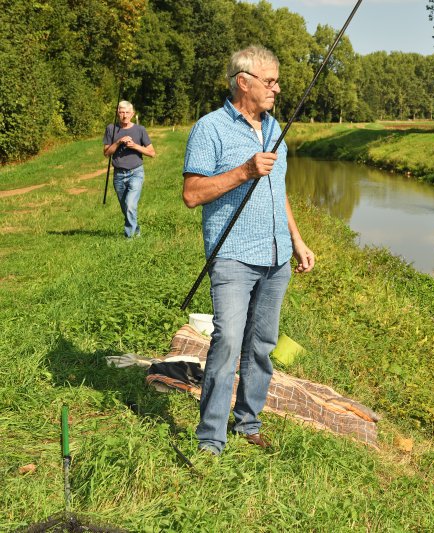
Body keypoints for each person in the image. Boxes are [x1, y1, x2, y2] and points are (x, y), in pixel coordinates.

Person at [182, 45, 315, 456]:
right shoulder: (210, 128)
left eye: (277, 81)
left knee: (261, 345)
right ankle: (210, 439)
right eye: (269, 81)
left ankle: (248, 424)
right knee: (227, 343)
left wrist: (296, 240)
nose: (277, 88)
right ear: (243, 82)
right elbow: (191, 194)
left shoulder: (276, 130)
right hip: (233, 256)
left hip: (276, 257)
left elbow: (278, 190)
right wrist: (244, 171)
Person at [102, 101, 155, 238]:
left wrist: (134, 146)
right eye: (121, 112)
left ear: (132, 114)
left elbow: (152, 153)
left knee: (130, 205)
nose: (124, 115)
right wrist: (118, 142)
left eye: (127, 112)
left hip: (136, 173)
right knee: (125, 208)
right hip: (118, 175)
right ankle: (136, 230)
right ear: (117, 113)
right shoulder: (111, 128)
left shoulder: (140, 129)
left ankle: (129, 238)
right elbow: (106, 153)